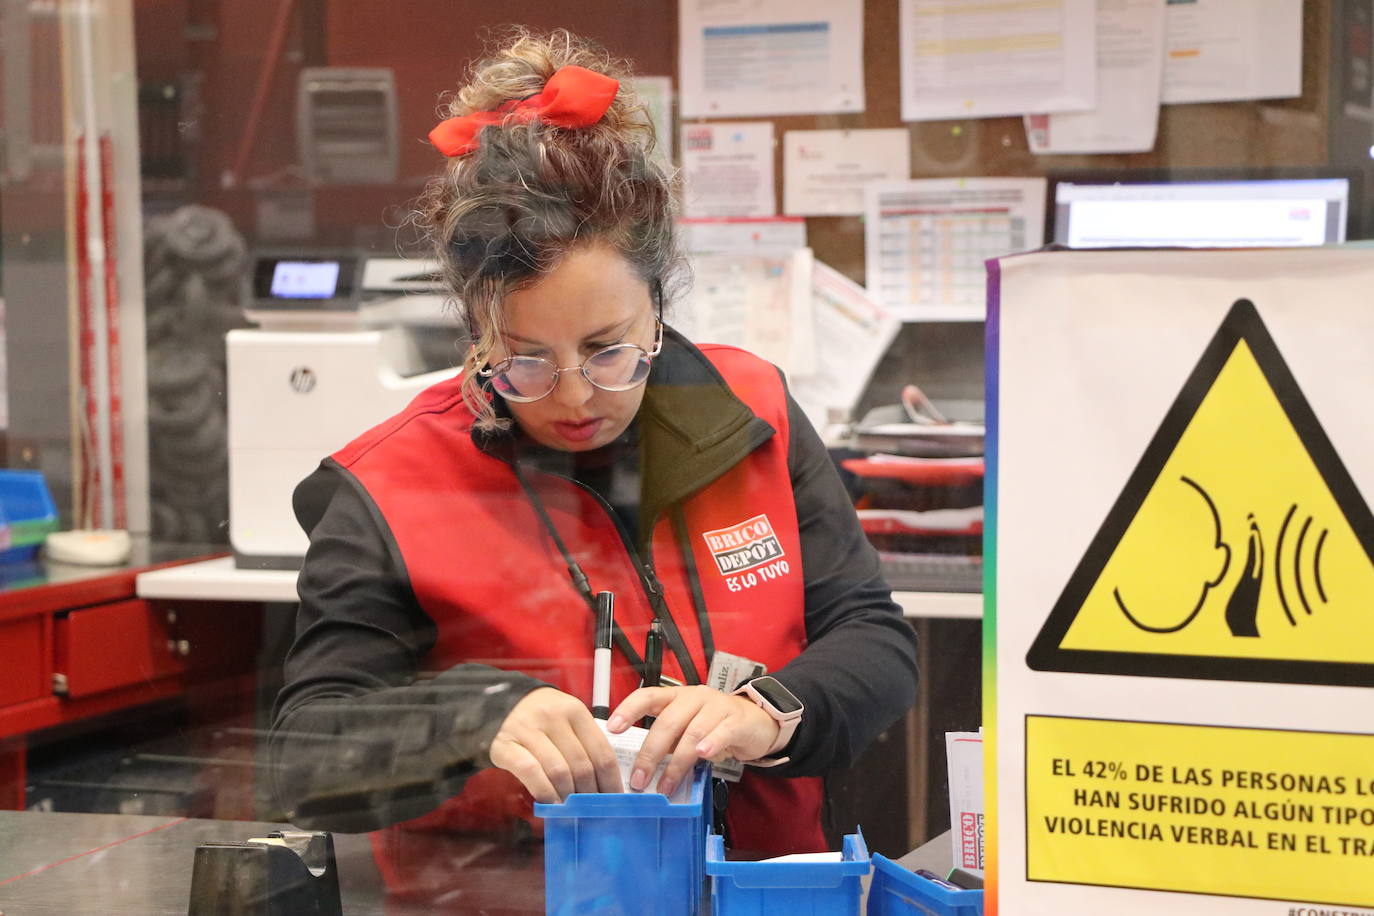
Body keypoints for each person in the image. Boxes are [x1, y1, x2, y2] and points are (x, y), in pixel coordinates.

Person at [269, 27, 918, 867]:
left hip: (758, 888)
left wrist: (770, 711)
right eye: (525, 359)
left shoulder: (753, 410)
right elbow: (305, 752)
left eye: (609, 348)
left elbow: (872, 637)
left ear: (659, 301)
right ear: (475, 331)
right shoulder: (388, 486)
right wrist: (474, 715)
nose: (576, 395)